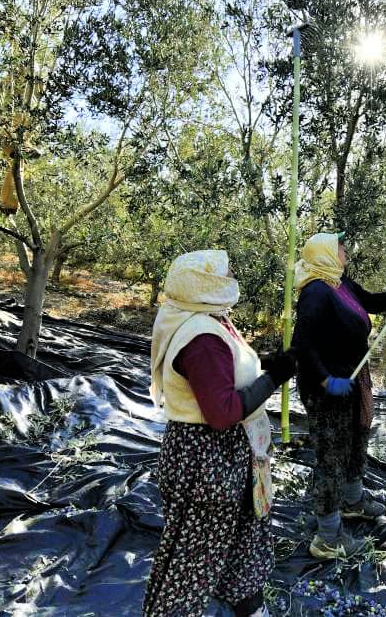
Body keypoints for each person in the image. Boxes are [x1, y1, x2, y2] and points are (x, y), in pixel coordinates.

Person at [143, 249, 297, 617]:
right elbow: (222, 412)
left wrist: (265, 364)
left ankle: (247, 603)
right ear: (205, 284)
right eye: (224, 274)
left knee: (243, 533)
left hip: (224, 454)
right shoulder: (200, 337)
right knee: (195, 555)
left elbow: (229, 371)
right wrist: (275, 378)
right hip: (208, 461)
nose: (231, 278)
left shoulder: (206, 318)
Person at [290, 231, 386, 559]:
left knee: (354, 442)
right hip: (327, 390)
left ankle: (352, 501)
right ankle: (328, 536)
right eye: (339, 247)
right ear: (324, 254)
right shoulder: (316, 291)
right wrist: (324, 381)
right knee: (331, 457)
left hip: (351, 381)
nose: (345, 251)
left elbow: (372, 302)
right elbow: (302, 346)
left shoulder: (341, 283)